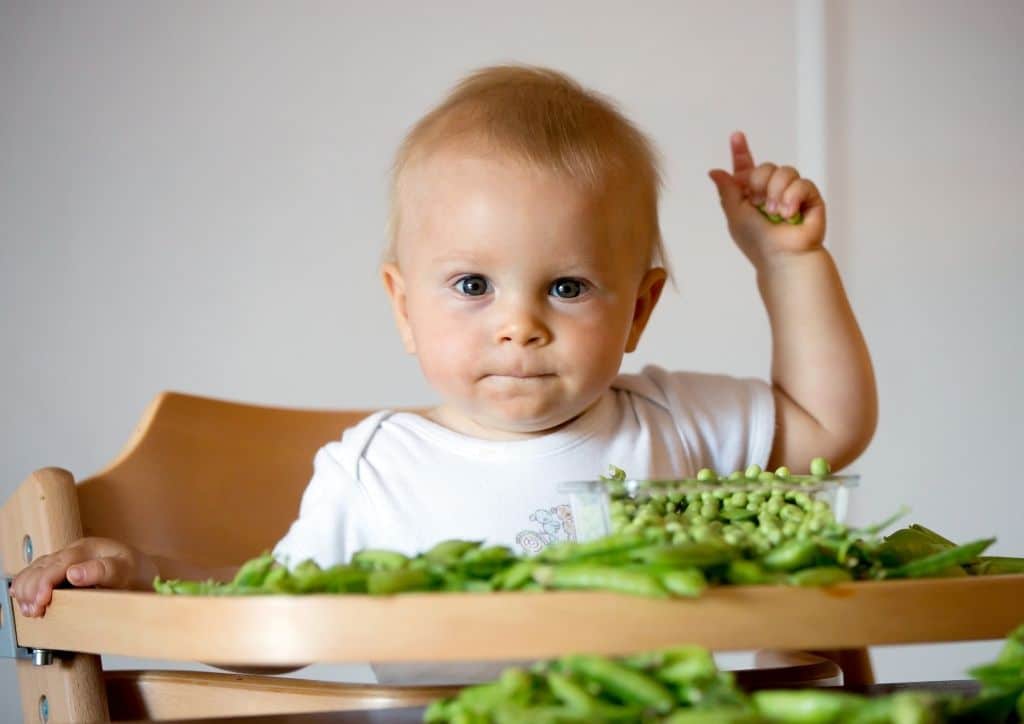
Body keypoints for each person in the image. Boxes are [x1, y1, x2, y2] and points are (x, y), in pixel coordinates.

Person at [11, 65, 877, 630]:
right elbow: (268, 614)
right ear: (404, 307)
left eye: (567, 288)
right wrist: (148, 576)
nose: (518, 325)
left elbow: (828, 426)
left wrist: (789, 264)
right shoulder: (376, 470)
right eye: (472, 286)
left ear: (639, 310)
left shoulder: (668, 422)